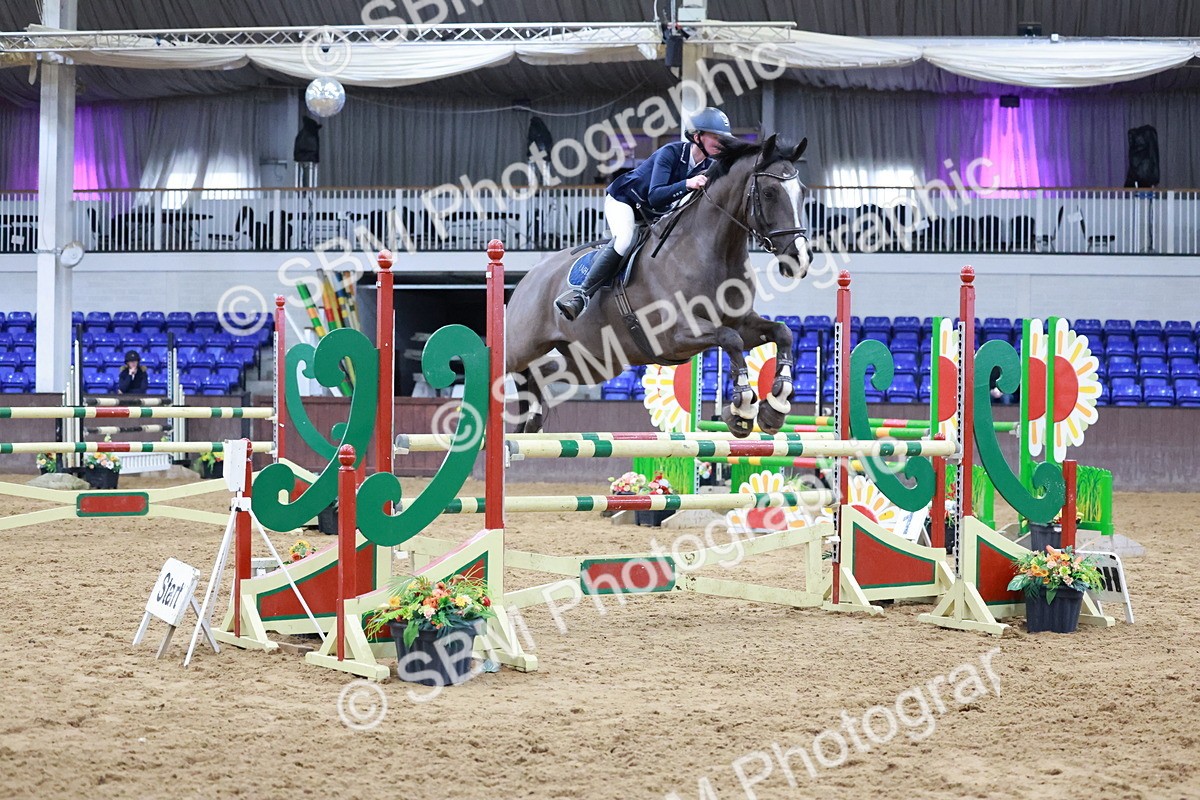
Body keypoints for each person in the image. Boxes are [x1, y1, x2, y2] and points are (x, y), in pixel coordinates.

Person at [555, 106, 733, 321]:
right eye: (716, 138)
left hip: (654, 213)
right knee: (624, 240)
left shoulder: (709, 167)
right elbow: (656, 195)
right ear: (697, 137)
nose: (721, 144)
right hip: (625, 201)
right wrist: (687, 183)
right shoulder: (671, 153)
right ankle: (581, 296)